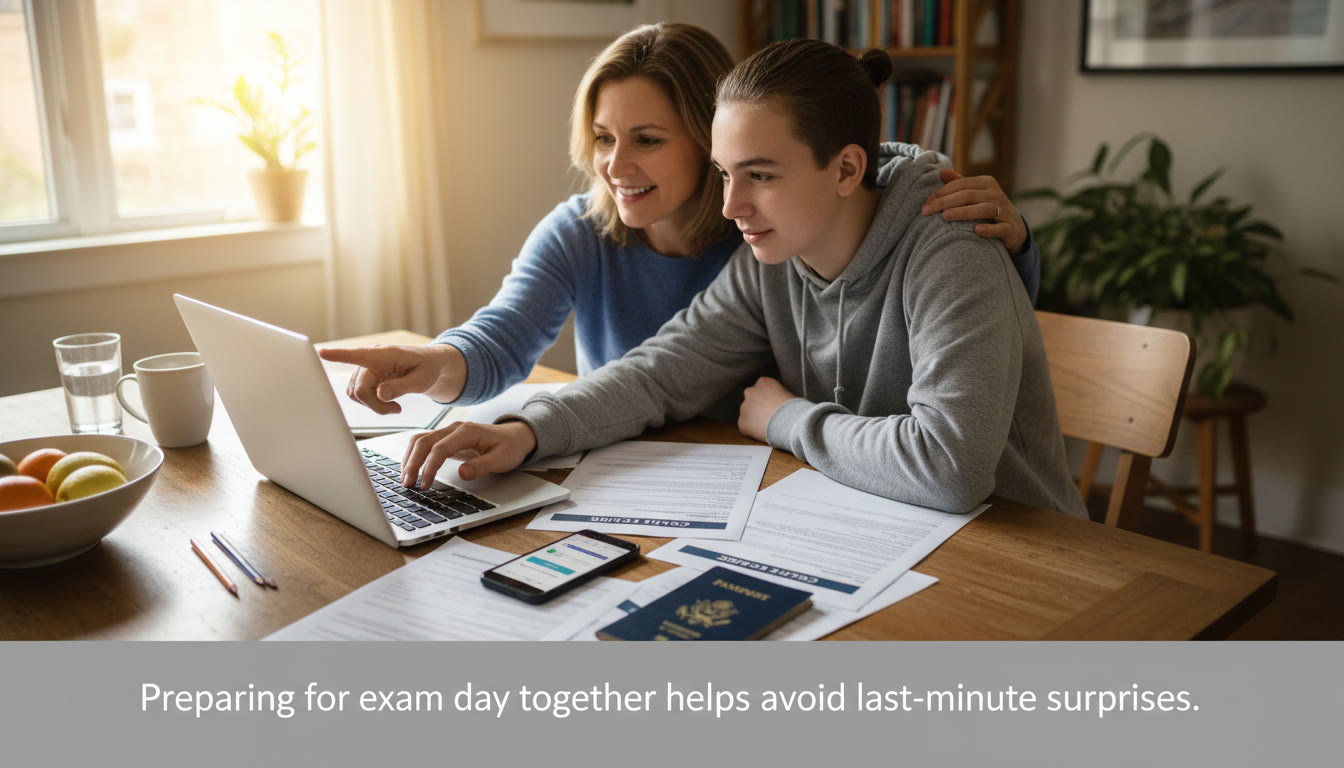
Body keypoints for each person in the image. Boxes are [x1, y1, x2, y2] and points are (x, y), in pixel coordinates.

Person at [398, 38, 1087, 519]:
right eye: (727, 174)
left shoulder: (948, 242)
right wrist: (527, 429)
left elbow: (951, 467)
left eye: (759, 175)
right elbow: (656, 375)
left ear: (848, 169)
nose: (730, 207)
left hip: (1027, 550)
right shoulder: (772, 260)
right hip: (885, 526)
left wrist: (786, 418)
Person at [319, 23, 1038, 417]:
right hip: (639, 466)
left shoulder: (771, 234)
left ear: (709, 138)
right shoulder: (583, 231)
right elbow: (512, 342)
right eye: (603, 138)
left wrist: (1014, 246)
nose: (615, 165)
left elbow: (952, 303)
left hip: (778, 477)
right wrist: (436, 369)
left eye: (648, 140)